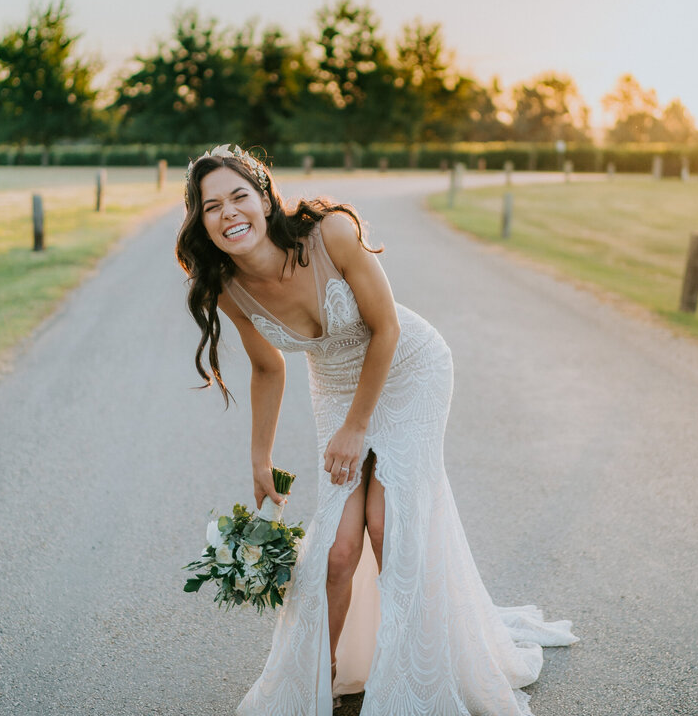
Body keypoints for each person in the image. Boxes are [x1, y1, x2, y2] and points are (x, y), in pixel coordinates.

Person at [176, 144, 577, 716]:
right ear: (201, 221)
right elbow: (268, 366)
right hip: (335, 390)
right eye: (212, 206)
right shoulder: (228, 287)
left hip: (408, 368)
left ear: (266, 198)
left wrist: (356, 428)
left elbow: (386, 329)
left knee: (389, 527)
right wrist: (260, 458)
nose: (228, 213)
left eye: (239, 196)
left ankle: (407, 679)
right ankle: (330, 679)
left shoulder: (331, 233)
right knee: (337, 552)